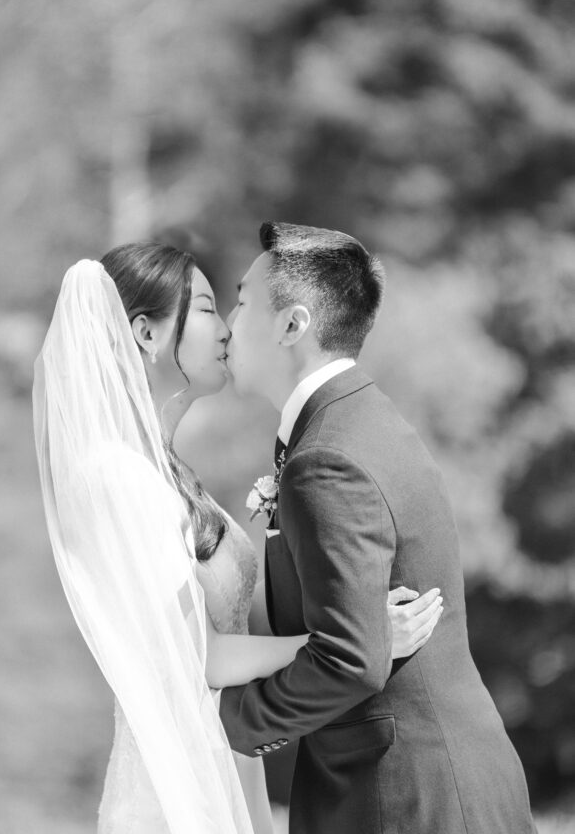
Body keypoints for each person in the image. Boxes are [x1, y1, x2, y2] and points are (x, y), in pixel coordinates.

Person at [33, 244, 442, 834]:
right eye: (205, 309)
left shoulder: (162, 473)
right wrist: (355, 638)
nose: (226, 327)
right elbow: (200, 655)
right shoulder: (115, 477)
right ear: (146, 334)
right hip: (175, 778)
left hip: (220, 755)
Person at [219, 221, 536, 834]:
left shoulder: (327, 457)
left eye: (242, 301)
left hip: (407, 797)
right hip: (425, 783)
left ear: (293, 325)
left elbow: (349, 659)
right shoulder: (354, 422)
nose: (231, 324)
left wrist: (225, 724)